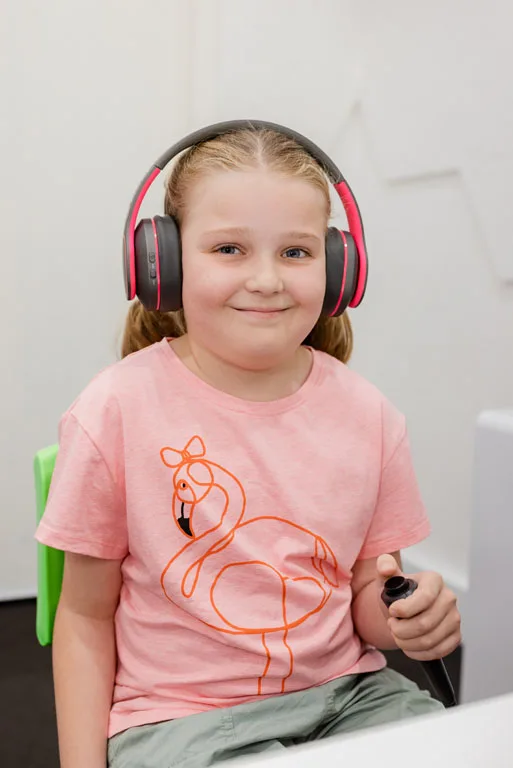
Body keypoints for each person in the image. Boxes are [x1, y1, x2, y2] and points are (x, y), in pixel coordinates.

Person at [35, 123, 461, 768]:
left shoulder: (370, 417)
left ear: (338, 268)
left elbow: (366, 603)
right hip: (181, 717)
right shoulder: (115, 410)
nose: (265, 279)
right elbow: (86, 617)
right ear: (164, 262)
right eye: (229, 248)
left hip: (347, 695)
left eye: (295, 252)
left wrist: (409, 615)